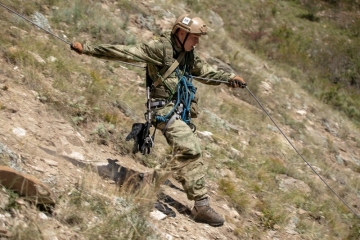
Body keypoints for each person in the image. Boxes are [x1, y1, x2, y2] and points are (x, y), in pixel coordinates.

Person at [71, 13, 246, 227]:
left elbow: (205, 72)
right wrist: (87, 49)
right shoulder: (160, 49)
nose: (198, 41)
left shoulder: (189, 54)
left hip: (180, 112)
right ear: (181, 33)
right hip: (162, 111)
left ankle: (191, 201)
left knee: (190, 157)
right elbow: (125, 52)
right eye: (195, 37)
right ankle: (163, 189)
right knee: (191, 148)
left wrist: (228, 79)